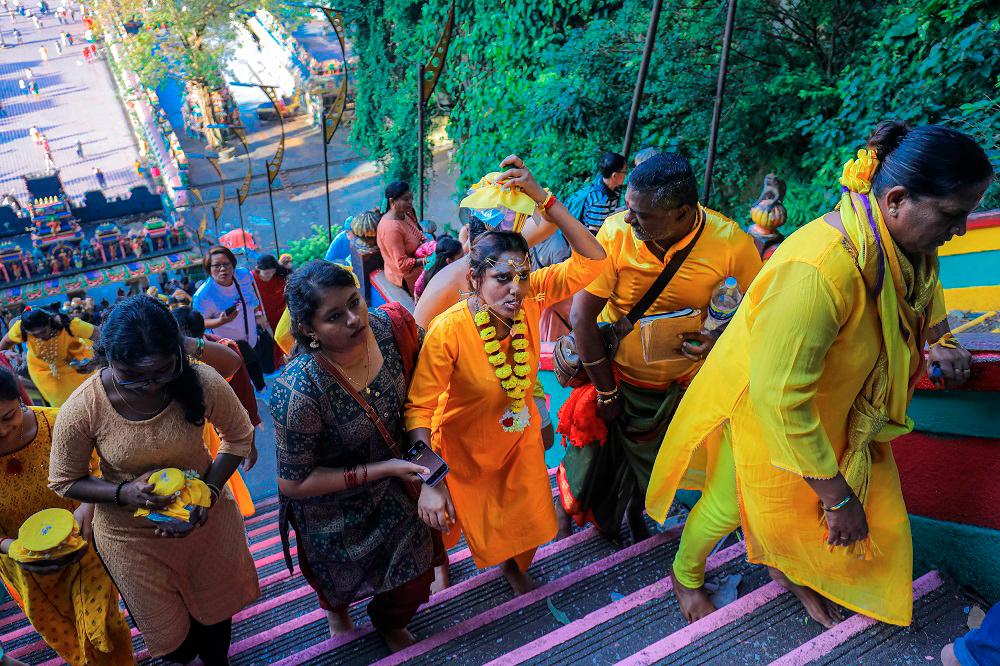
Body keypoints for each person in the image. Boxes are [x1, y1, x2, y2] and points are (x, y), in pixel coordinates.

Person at [645, 122, 992, 629]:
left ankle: (792, 569)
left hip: (834, 409)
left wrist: (940, 337)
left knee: (808, 510)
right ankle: (685, 575)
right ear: (895, 199)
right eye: (952, 215)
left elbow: (924, 283)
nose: (960, 229)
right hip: (767, 413)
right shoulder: (820, 271)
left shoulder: (901, 243)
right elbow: (779, 400)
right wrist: (839, 498)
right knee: (731, 505)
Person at [405, 155, 608, 594]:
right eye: (502, 278)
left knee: (532, 515)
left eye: (523, 276)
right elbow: (418, 411)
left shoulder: (530, 296)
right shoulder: (449, 330)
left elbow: (593, 262)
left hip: (517, 434)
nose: (515, 288)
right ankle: (442, 564)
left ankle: (515, 566)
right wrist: (431, 479)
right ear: (475, 279)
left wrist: (543, 197)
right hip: (462, 445)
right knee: (452, 519)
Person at [559, 153, 762, 544]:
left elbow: (759, 311)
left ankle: (639, 521)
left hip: (684, 391)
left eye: (642, 214)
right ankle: (579, 528)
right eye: (628, 207)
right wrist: (607, 391)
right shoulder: (616, 234)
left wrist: (717, 338)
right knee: (595, 466)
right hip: (616, 381)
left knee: (659, 474)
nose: (629, 218)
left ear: (682, 213)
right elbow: (583, 319)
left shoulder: (730, 243)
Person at [48, 295, 259, 664]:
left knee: (213, 627)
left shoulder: (200, 379)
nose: (149, 385)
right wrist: (124, 492)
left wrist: (206, 493)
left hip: (203, 522)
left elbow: (239, 437)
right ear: (107, 359)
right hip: (132, 538)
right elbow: (65, 480)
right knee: (176, 646)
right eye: (133, 376)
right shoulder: (84, 406)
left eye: (161, 372)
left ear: (177, 355)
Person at [272, 261, 440, 652]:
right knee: (337, 582)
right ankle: (336, 610)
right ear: (308, 330)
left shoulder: (391, 329)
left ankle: (387, 620)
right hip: (331, 506)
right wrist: (384, 468)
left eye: (355, 302)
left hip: (397, 485)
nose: (353, 319)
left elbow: (425, 397)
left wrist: (432, 477)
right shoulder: (297, 390)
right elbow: (293, 482)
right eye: (335, 316)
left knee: (416, 578)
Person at [0, 368, 134, 665]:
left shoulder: (58, 420)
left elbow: (103, 464)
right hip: (25, 564)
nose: (1, 431)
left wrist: (90, 502)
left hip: (84, 542)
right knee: (67, 633)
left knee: (105, 624)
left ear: (20, 400)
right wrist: (17, 550)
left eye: (8, 417)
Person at [172, 306, 259, 518]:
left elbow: (243, 395)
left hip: (215, 433)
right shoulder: (170, 359)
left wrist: (250, 442)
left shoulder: (223, 350)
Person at [193, 246, 271, 391]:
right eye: (216, 265)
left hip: (251, 336)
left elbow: (253, 298)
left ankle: (261, 390)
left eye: (226, 264)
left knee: (255, 366)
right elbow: (200, 322)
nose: (222, 269)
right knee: (238, 377)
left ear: (233, 264)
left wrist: (258, 315)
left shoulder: (244, 276)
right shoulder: (203, 295)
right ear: (208, 269)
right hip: (229, 345)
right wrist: (221, 321)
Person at [0, 308, 99, 407]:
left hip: (75, 363)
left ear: (50, 322)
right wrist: (5, 352)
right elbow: (6, 342)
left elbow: (97, 333)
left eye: (43, 332)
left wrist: (99, 357)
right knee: (62, 404)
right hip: (42, 370)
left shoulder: (68, 324)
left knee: (90, 395)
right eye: (34, 334)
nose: (40, 336)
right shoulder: (20, 329)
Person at [376, 181, 425, 295]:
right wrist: (427, 260)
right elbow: (402, 264)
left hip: (418, 262)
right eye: (406, 199)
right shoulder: (391, 228)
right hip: (405, 277)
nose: (410, 202)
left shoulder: (406, 213)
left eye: (411, 198)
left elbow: (417, 232)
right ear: (392, 201)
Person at [252, 254, 289, 373]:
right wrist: (257, 315)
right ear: (258, 269)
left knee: (283, 340)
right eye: (266, 273)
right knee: (269, 344)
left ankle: (286, 364)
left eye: (272, 273)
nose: (269, 276)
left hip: (281, 315)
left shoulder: (281, 275)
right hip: (264, 318)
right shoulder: (251, 279)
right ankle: (272, 370)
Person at [578, 151, 627, 234]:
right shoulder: (600, 200)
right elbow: (594, 232)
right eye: (625, 171)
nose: (626, 175)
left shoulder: (611, 186)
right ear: (614, 176)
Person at [413, 236, 462, 302]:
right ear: (449, 261)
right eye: (461, 257)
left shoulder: (434, 262)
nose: (463, 259)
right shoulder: (443, 280)